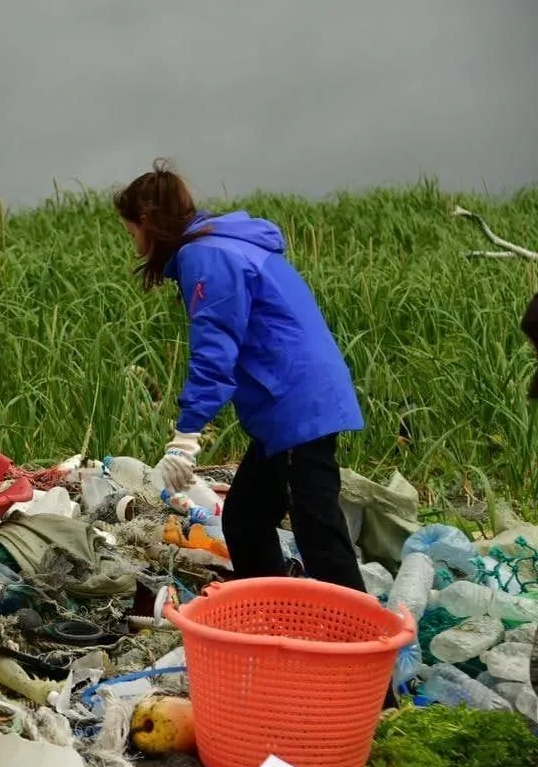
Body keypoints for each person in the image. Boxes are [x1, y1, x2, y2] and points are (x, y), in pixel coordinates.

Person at [113, 160, 367, 593]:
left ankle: (360, 640)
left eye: (131, 229)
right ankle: (273, 615)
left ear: (149, 222)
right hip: (289, 404)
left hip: (294, 404)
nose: (133, 241)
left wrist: (186, 438)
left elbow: (215, 352)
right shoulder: (219, 245)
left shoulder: (205, 256)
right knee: (246, 517)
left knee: (318, 532)